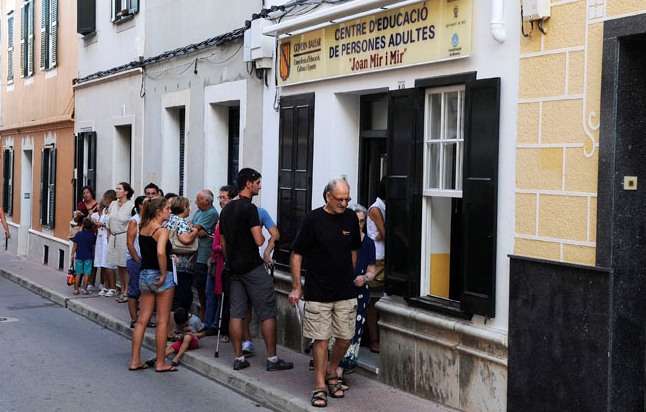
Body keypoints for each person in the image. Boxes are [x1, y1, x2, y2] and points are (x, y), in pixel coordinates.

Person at [289, 178, 361, 407]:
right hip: (318, 290)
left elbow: (353, 250)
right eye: (340, 199)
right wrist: (297, 286)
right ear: (328, 197)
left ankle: (332, 370)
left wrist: (349, 275)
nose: (344, 203)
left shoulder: (350, 217)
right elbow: (297, 254)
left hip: (345, 290)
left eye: (347, 198)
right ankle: (320, 385)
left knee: (345, 337)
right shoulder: (313, 219)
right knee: (320, 339)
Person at [220, 168, 293, 372]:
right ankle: (272, 359)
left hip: (233, 267)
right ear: (248, 184)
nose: (260, 186)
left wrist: (230, 259)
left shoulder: (226, 209)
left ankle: (239, 357)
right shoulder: (250, 209)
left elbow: (224, 242)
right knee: (267, 311)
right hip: (251, 266)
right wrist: (260, 241)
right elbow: (259, 240)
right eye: (258, 183)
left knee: (236, 313)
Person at [129, 196, 176, 372]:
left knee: (142, 320)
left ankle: (135, 360)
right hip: (160, 276)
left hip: (144, 274)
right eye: (168, 209)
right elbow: (161, 253)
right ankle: (161, 362)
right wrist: (164, 274)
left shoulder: (143, 227)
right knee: (162, 321)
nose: (170, 212)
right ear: (159, 211)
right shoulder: (162, 230)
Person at [332, 204, 375, 379]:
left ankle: (340, 371)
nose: (359, 225)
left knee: (354, 330)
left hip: (360, 293)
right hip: (340, 290)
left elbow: (372, 270)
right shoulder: (340, 240)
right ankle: (332, 367)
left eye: (362, 221)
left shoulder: (368, 243)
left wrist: (364, 278)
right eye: (356, 221)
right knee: (338, 329)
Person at [240, 206, 280, 355]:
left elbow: (274, 234)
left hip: (239, 263)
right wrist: (266, 252)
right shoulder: (259, 211)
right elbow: (274, 234)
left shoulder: (233, 210)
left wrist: (266, 252)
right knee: (262, 308)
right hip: (252, 263)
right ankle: (270, 354)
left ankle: (245, 342)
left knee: (243, 306)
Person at [207, 185, 238, 340]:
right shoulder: (221, 217)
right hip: (220, 262)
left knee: (227, 298)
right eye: (220, 198)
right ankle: (217, 327)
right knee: (219, 297)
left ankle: (225, 329)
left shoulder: (232, 217)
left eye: (223, 198)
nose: (221, 201)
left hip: (229, 262)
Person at [167, 196, 200, 315]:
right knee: (181, 297)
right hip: (182, 264)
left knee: (173, 296)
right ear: (184, 208)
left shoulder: (169, 219)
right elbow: (185, 240)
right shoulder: (181, 222)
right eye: (188, 207)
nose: (189, 209)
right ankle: (176, 326)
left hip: (171, 261)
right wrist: (195, 231)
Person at [192, 190, 219, 325]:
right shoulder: (200, 211)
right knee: (199, 286)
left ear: (206, 201)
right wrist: (195, 229)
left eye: (198, 199)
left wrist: (196, 229)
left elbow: (194, 228)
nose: (196, 202)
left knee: (204, 287)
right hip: (197, 253)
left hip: (205, 256)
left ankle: (206, 316)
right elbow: (192, 226)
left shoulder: (211, 213)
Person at [366, 179, 386, 353]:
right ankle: (374, 339)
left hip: (382, 257)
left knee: (378, 300)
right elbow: (386, 233)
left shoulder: (381, 208)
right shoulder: (375, 209)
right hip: (377, 258)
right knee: (374, 301)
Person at [107, 182, 135, 303]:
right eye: (116, 188)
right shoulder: (113, 204)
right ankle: (123, 288)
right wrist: (109, 235)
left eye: (119, 189)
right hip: (114, 237)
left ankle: (126, 291)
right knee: (119, 265)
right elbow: (108, 220)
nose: (117, 191)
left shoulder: (131, 206)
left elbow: (132, 223)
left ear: (126, 192)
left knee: (125, 265)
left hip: (124, 236)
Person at [126, 196, 147, 328]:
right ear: (140, 206)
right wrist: (136, 258)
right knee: (134, 290)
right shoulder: (134, 221)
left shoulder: (150, 220)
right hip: (136, 259)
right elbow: (130, 242)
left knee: (146, 291)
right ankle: (134, 319)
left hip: (147, 260)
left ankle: (144, 318)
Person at [94, 191, 117, 296]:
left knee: (109, 265)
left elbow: (113, 224)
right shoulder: (104, 210)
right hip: (101, 237)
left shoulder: (114, 210)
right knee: (103, 264)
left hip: (108, 238)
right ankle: (106, 286)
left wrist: (102, 224)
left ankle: (113, 287)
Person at [71, 217, 97, 295]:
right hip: (88, 256)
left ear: (83, 225)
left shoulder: (79, 234)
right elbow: (93, 245)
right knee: (87, 273)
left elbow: (75, 245)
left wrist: (72, 254)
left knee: (78, 273)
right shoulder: (92, 236)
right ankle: (85, 289)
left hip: (79, 256)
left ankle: (75, 289)